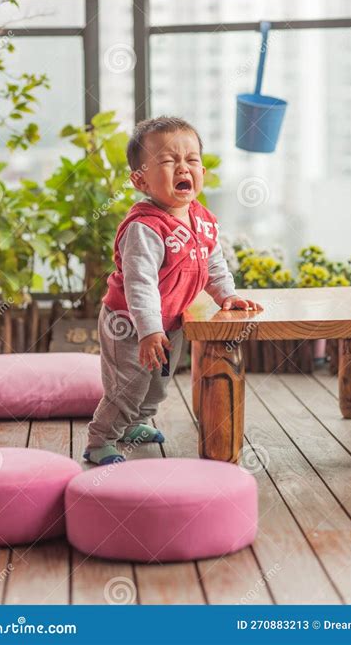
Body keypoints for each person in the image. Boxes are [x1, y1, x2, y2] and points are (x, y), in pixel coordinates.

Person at [84, 116, 262, 465]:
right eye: (167, 161)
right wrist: (148, 331)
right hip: (130, 324)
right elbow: (140, 284)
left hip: (171, 322)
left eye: (191, 160)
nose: (183, 167)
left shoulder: (202, 218)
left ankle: (135, 423)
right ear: (140, 180)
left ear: (201, 173)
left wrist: (227, 295)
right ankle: (100, 439)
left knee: (158, 384)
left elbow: (213, 265)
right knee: (129, 385)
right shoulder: (145, 228)